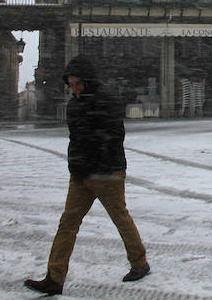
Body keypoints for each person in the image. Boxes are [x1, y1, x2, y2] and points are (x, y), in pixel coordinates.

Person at [25, 55, 150, 296]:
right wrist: (76, 165)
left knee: (119, 217)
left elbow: (114, 136)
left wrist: (95, 160)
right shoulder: (74, 105)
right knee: (67, 224)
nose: (75, 89)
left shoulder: (106, 100)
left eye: (78, 84)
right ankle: (54, 277)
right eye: (71, 85)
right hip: (82, 174)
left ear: (88, 81)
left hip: (107, 173)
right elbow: (76, 139)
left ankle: (139, 263)